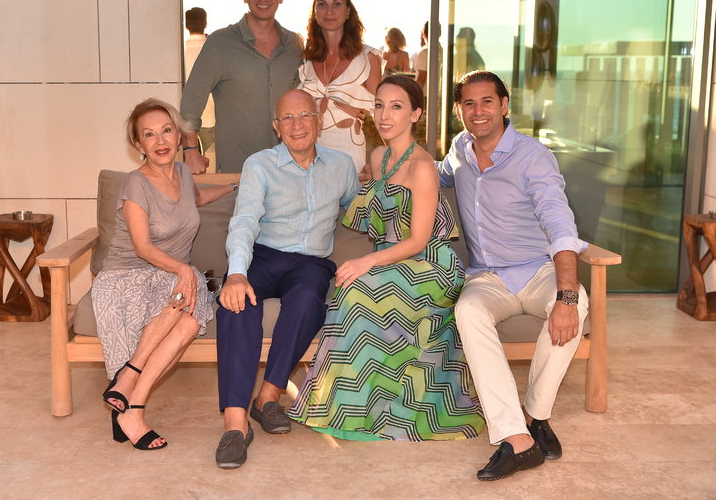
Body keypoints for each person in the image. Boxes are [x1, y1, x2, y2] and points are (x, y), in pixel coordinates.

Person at [289, 75, 485, 441]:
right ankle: (357, 408)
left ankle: (371, 412)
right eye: (379, 106)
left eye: (396, 107)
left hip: (430, 265)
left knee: (358, 292)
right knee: (352, 289)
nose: (384, 115)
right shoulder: (378, 157)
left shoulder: (423, 167)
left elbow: (418, 240)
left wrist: (366, 262)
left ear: (416, 114)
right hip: (393, 262)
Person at [438, 70, 589, 481]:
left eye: (487, 101)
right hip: (487, 277)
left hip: (537, 269)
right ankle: (516, 437)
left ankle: (536, 415)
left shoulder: (533, 157)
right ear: (459, 111)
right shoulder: (460, 148)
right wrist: (392, 171)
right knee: (468, 312)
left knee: (575, 304)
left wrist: (566, 297)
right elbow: (440, 173)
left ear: (505, 105)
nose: (478, 111)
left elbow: (559, 224)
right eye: (469, 103)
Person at [215, 89, 360, 469]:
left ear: (318, 120)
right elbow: (244, 221)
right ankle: (235, 423)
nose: (297, 125)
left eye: (305, 115)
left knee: (310, 298)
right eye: (288, 118)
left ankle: (267, 396)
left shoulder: (342, 166)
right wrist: (236, 274)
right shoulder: (259, 165)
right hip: (262, 255)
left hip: (310, 262)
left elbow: (358, 207)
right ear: (276, 127)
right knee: (235, 304)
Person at [92, 98, 237, 451]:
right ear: (138, 145)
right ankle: (131, 378)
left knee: (189, 318)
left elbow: (195, 199)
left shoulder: (183, 173)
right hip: (128, 275)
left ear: (178, 136)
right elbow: (142, 247)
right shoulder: (135, 183)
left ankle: (132, 401)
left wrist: (235, 188)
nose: (160, 141)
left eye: (167, 131)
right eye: (149, 135)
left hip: (169, 277)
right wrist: (183, 269)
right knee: (189, 291)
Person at [180, 0, 303, 174]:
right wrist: (190, 150)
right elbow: (192, 99)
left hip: (289, 167)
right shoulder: (220, 42)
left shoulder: (294, 44)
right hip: (238, 170)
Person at [298, 0, 382, 176]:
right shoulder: (306, 59)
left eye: (337, 4)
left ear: (348, 12)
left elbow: (382, 117)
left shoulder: (368, 58)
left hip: (350, 159)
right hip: (308, 158)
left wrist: (389, 161)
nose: (329, 11)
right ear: (315, 12)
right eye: (322, 4)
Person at [183, 7, 215, 157]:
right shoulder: (214, 50)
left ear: (186, 25)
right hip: (212, 115)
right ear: (205, 24)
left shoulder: (181, 50)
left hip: (187, 116)